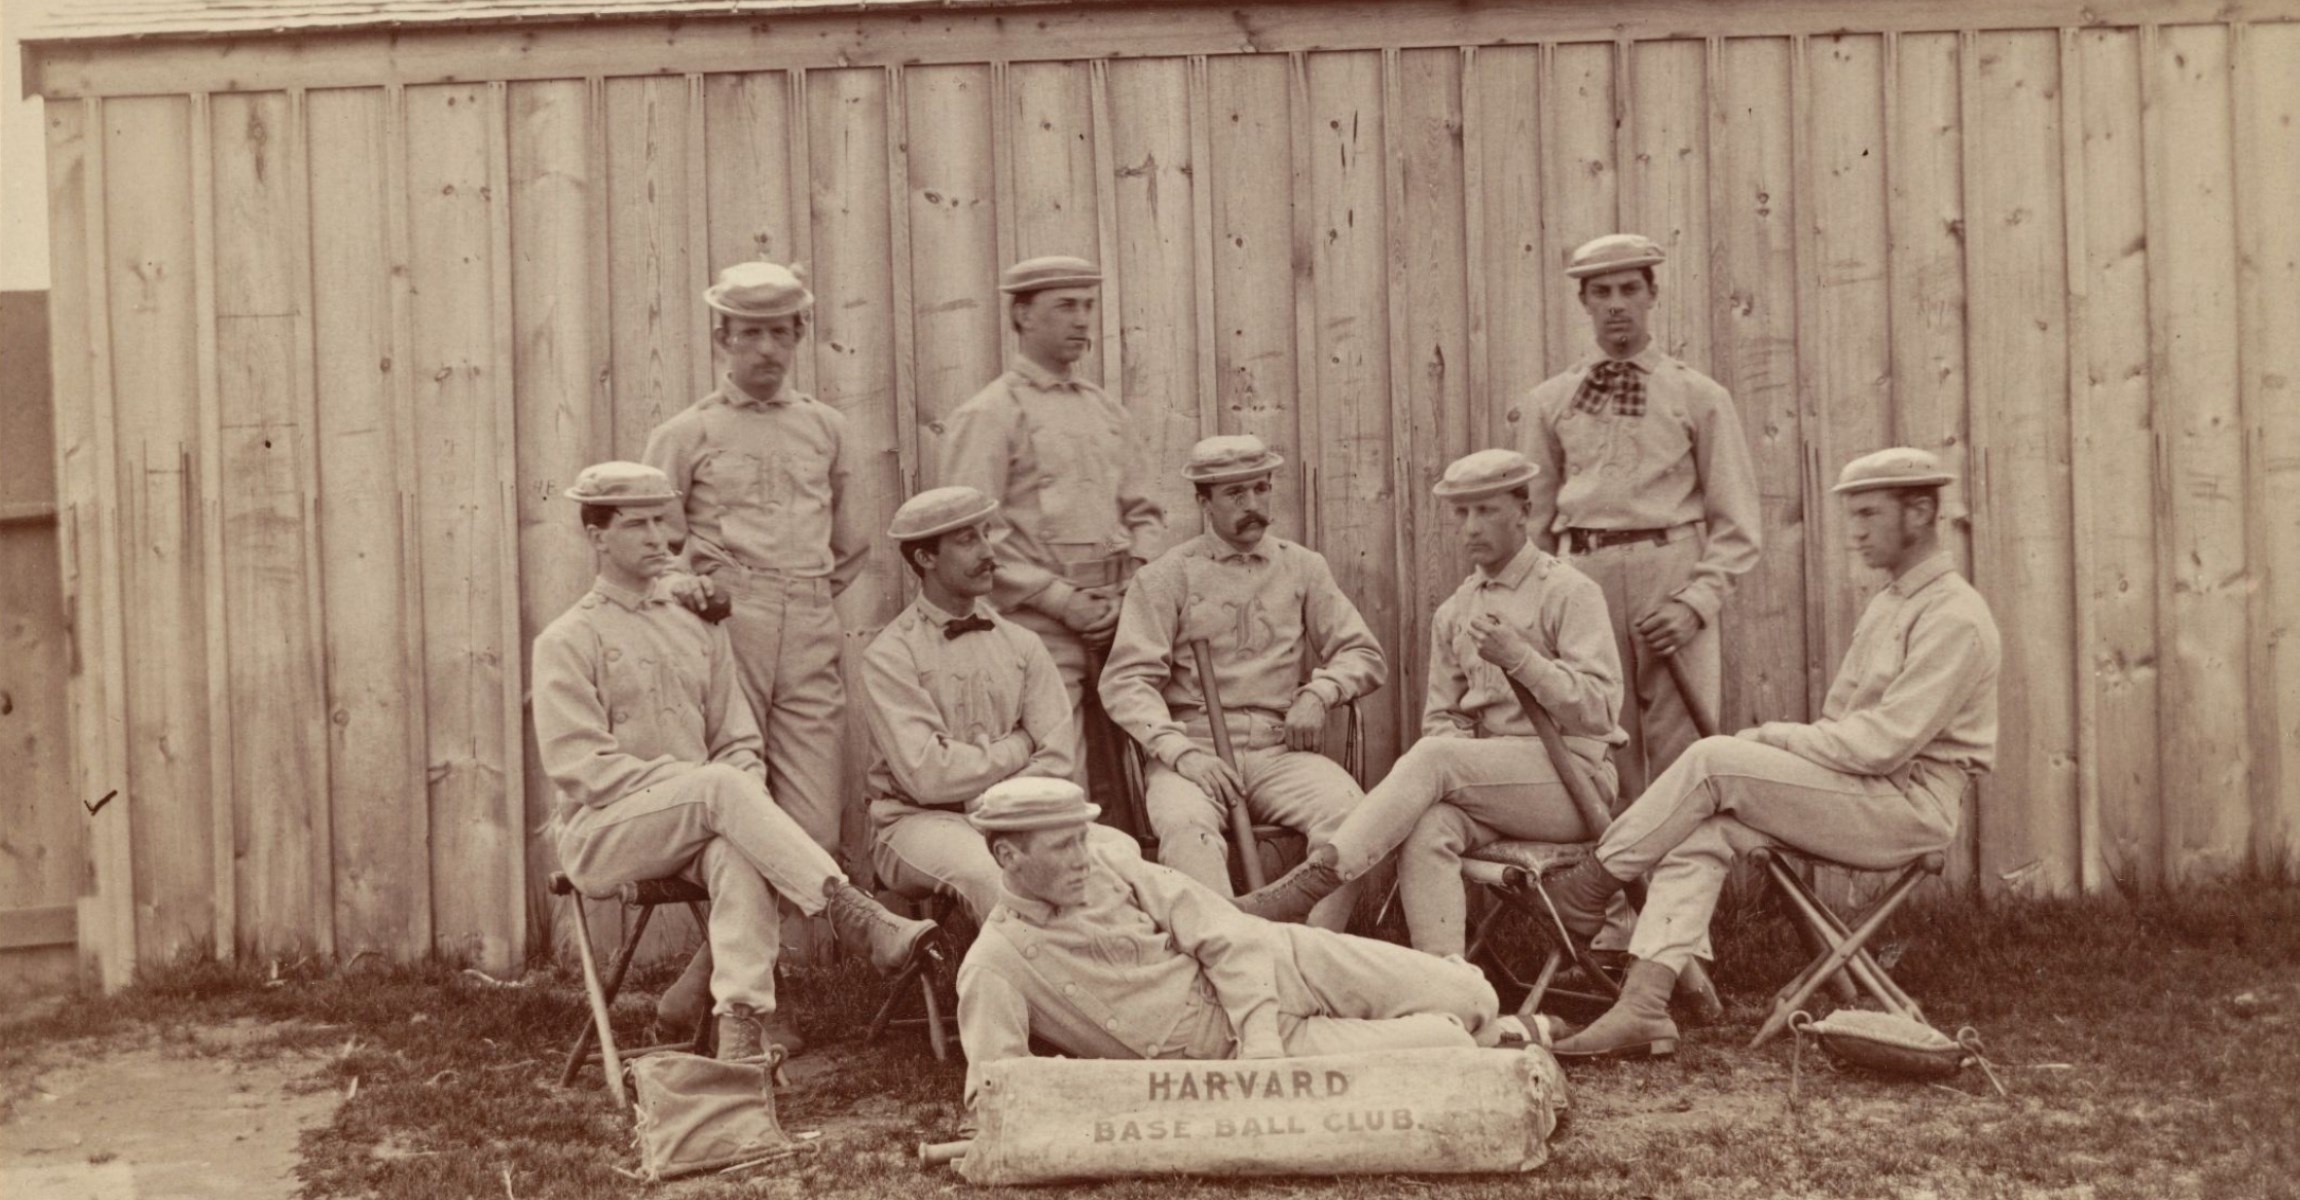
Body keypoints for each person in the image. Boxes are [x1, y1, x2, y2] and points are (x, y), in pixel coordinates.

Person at [1541, 448, 1999, 1058]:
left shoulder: (1954, 616)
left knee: (1714, 760)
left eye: (1868, 514)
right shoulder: (1893, 602)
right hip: (1869, 790)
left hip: (1909, 807)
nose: (1855, 532)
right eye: (1852, 516)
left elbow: (1882, 745)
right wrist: (1779, 751)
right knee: (1704, 825)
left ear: (1919, 512)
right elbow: (1846, 731)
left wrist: (1769, 739)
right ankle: (1643, 1008)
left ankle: (1591, 886)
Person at [531, 462, 936, 1061]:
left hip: (698, 825)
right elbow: (581, 767)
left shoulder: (698, 626)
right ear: (596, 536)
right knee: (722, 793)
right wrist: (705, 787)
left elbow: (736, 741)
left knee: (738, 847)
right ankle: (852, 912)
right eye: (636, 525)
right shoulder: (567, 639)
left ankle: (740, 1032)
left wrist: (726, 790)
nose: (658, 539)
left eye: (662, 523)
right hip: (604, 834)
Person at [1234, 450, 1636, 959]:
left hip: (1576, 784)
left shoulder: (1568, 591)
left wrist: (1522, 659)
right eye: (1462, 513)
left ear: (1523, 510)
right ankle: (1443, 983)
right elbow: (1443, 720)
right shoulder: (1455, 611)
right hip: (1494, 787)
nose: (1471, 527)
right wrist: (1464, 747)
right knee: (1427, 825)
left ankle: (1316, 881)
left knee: (1434, 758)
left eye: (1486, 510)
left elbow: (1600, 712)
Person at [954, 777, 1526, 1109]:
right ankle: (1503, 1037)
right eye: (1062, 847)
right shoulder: (996, 965)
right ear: (1009, 857)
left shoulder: (1111, 863)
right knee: (1444, 1042)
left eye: (1082, 839)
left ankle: (1489, 1021)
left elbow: (1226, 933)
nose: (1082, 858)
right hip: (1226, 1057)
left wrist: (1261, 1047)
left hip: (1280, 965)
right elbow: (996, 1088)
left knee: (1472, 998)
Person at [1098, 435, 1384, 930]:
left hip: (1281, 751)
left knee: (1356, 823)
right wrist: (1179, 751)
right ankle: (1228, 963)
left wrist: (1320, 693)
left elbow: (1362, 653)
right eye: (1234, 494)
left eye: (1260, 489)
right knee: (1188, 831)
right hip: (1195, 755)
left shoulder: (1303, 568)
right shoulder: (1168, 578)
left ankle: (1311, 955)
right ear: (1203, 501)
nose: (1253, 506)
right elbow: (1126, 681)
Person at [1519, 234, 1761, 799]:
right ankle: (1617, 885)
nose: (1616, 303)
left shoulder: (1697, 395)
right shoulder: (1551, 401)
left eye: (1630, 288)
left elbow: (1737, 522)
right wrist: (1542, 600)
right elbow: (1533, 518)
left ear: (1652, 294)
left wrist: (1695, 603)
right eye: (1601, 291)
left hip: (1669, 573)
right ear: (1585, 303)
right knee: (1600, 741)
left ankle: (1685, 885)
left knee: (1684, 752)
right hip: (1585, 576)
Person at [645, 260, 865, 862]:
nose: (768, 348)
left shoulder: (826, 428)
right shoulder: (687, 433)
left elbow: (850, 545)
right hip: (725, 626)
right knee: (736, 797)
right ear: (723, 338)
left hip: (811, 627)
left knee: (814, 816)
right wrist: (692, 590)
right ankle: (738, 955)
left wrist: (803, 596)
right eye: (751, 333)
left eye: (781, 332)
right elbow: (652, 549)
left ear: (799, 335)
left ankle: (786, 958)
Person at [937, 256, 1166, 785]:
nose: (1082, 320)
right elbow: (966, 537)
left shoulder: (1105, 411)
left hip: (1118, 627)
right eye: (1065, 306)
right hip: (1035, 630)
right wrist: (1060, 600)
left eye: (1087, 306)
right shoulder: (990, 414)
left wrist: (1135, 586)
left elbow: (1145, 512)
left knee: (1138, 783)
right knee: (1056, 780)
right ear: (1022, 316)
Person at [858, 485, 1087, 922]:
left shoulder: (1023, 644)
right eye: (967, 540)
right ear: (925, 558)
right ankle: (1014, 987)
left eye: (986, 534)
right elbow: (929, 777)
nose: (988, 552)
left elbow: (1058, 759)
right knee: (994, 874)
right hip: (915, 823)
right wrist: (1020, 746)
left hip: (1020, 817)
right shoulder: (891, 655)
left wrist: (996, 798)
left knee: (1117, 857)